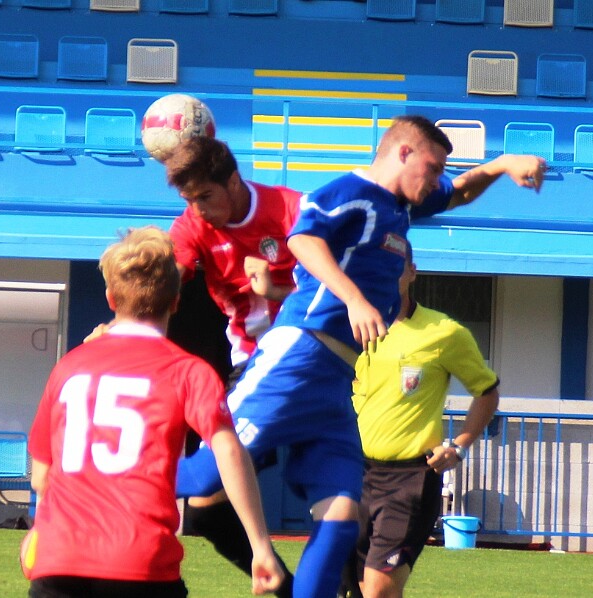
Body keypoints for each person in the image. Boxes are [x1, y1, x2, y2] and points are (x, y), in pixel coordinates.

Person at [176, 115, 546, 598]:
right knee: (205, 475)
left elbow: (458, 191)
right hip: (298, 355)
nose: (435, 180)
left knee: (342, 517)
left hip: (334, 383)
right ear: (403, 153)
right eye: (432, 168)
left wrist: (500, 164)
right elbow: (303, 240)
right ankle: (97, 477)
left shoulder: (397, 209)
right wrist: (352, 298)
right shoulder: (351, 192)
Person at [86, 138, 301, 598]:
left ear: (235, 182)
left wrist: (280, 293)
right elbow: (158, 286)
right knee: (206, 511)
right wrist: (116, 327)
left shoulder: (291, 210)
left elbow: (332, 289)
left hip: (308, 357)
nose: (197, 210)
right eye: (188, 200)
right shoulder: (192, 228)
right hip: (254, 366)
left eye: (205, 196)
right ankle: (292, 587)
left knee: (334, 496)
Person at [24, 226, 284, 597]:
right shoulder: (188, 371)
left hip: (60, 559)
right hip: (141, 563)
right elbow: (228, 451)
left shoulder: (70, 366)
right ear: (175, 301)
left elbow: (41, 478)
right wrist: (259, 546)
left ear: (111, 299)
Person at [344, 240, 500, 598]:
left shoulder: (443, 332)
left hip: (409, 480)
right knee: (351, 586)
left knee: (379, 590)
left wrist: (459, 446)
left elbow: (487, 392)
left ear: (411, 272)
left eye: (395, 265)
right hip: (352, 473)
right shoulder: (348, 326)